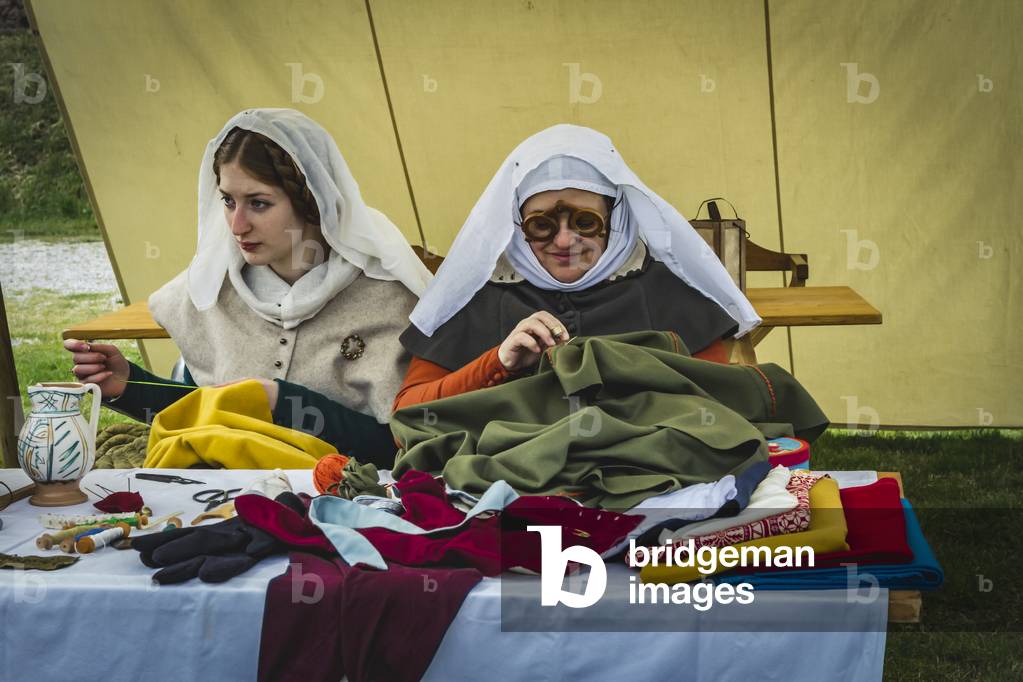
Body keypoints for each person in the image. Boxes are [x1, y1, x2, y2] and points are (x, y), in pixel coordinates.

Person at [64, 108, 431, 466]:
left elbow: (399, 449)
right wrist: (130, 386)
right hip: (221, 505)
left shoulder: (390, 303)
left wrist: (281, 401)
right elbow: (204, 414)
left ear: (312, 201)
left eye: (258, 203)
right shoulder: (210, 294)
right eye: (228, 201)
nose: (238, 225)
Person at [394, 124, 761, 409]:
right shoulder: (477, 298)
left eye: (585, 222)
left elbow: (728, 405)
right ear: (517, 226)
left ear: (615, 218)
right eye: (542, 225)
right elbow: (408, 417)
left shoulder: (668, 292)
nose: (565, 241)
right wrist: (498, 362)